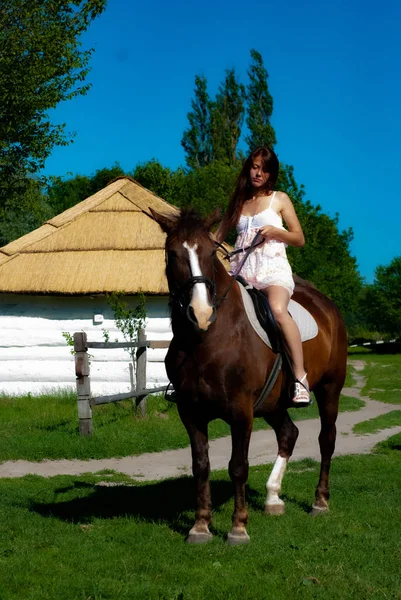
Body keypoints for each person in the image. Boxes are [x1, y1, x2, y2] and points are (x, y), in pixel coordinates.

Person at [216, 147, 310, 407]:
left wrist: (275, 232)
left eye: (265, 170)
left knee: (278, 310)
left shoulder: (279, 199)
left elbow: (299, 238)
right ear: (249, 167)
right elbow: (217, 237)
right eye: (255, 167)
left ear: (271, 174)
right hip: (240, 271)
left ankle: (300, 378)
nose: (259, 173)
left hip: (272, 270)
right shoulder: (238, 202)